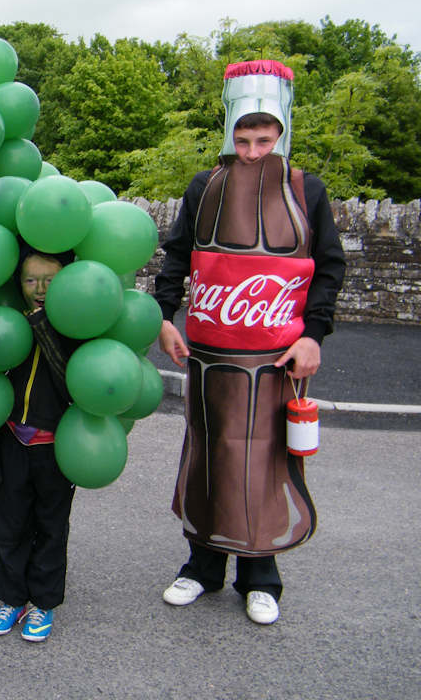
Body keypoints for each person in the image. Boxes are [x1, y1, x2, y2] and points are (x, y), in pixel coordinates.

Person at [153, 60, 346, 625]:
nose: (254, 150)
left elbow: (328, 268)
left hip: (277, 358)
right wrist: (163, 317)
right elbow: (178, 257)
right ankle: (201, 567)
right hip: (210, 355)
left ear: (282, 132)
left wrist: (314, 334)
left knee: (266, 459)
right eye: (243, 138)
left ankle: (261, 574)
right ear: (229, 132)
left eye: (265, 139)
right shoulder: (204, 184)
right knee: (210, 453)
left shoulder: (307, 188)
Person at [0, 249, 77, 643]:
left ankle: (44, 602)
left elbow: (70, 383)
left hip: (55, 446)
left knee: (51, 527)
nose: (39, 289)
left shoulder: (75, 324)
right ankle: (12, 598)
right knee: (10, 525)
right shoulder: (4, 325)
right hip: (10, 441)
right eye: (30, 280)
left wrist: (42, 327)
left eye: (50, 281)